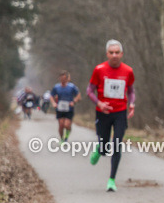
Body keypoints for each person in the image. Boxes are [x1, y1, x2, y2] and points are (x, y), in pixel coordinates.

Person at [87, 40, 135, 192]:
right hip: (103, 113)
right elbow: (89, 90)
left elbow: (131, 91)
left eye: (117, 52)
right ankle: (100, 150)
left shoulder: (128, 71)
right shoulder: (99, 69)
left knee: (117, 144)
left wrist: (132, 104)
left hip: (120, 112)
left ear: (121, 54)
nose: (114, 55)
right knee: (105, 146)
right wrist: (99, 103)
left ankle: (112, 180)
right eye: (111, 52)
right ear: (107, 54)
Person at [51, 71, 81, 141]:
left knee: (67, 125)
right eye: (61, 78)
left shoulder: (72, 87)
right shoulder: (56, 87)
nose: (63, 80)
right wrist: (53, 103)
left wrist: (74, 101)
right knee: (61, 125)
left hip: (69, 109)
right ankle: (62, 139)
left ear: (67, 79)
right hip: (60, 108)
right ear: (59, 78)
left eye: (64, 79)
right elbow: (51, 96)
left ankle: (66, 136)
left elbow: (78, 95)